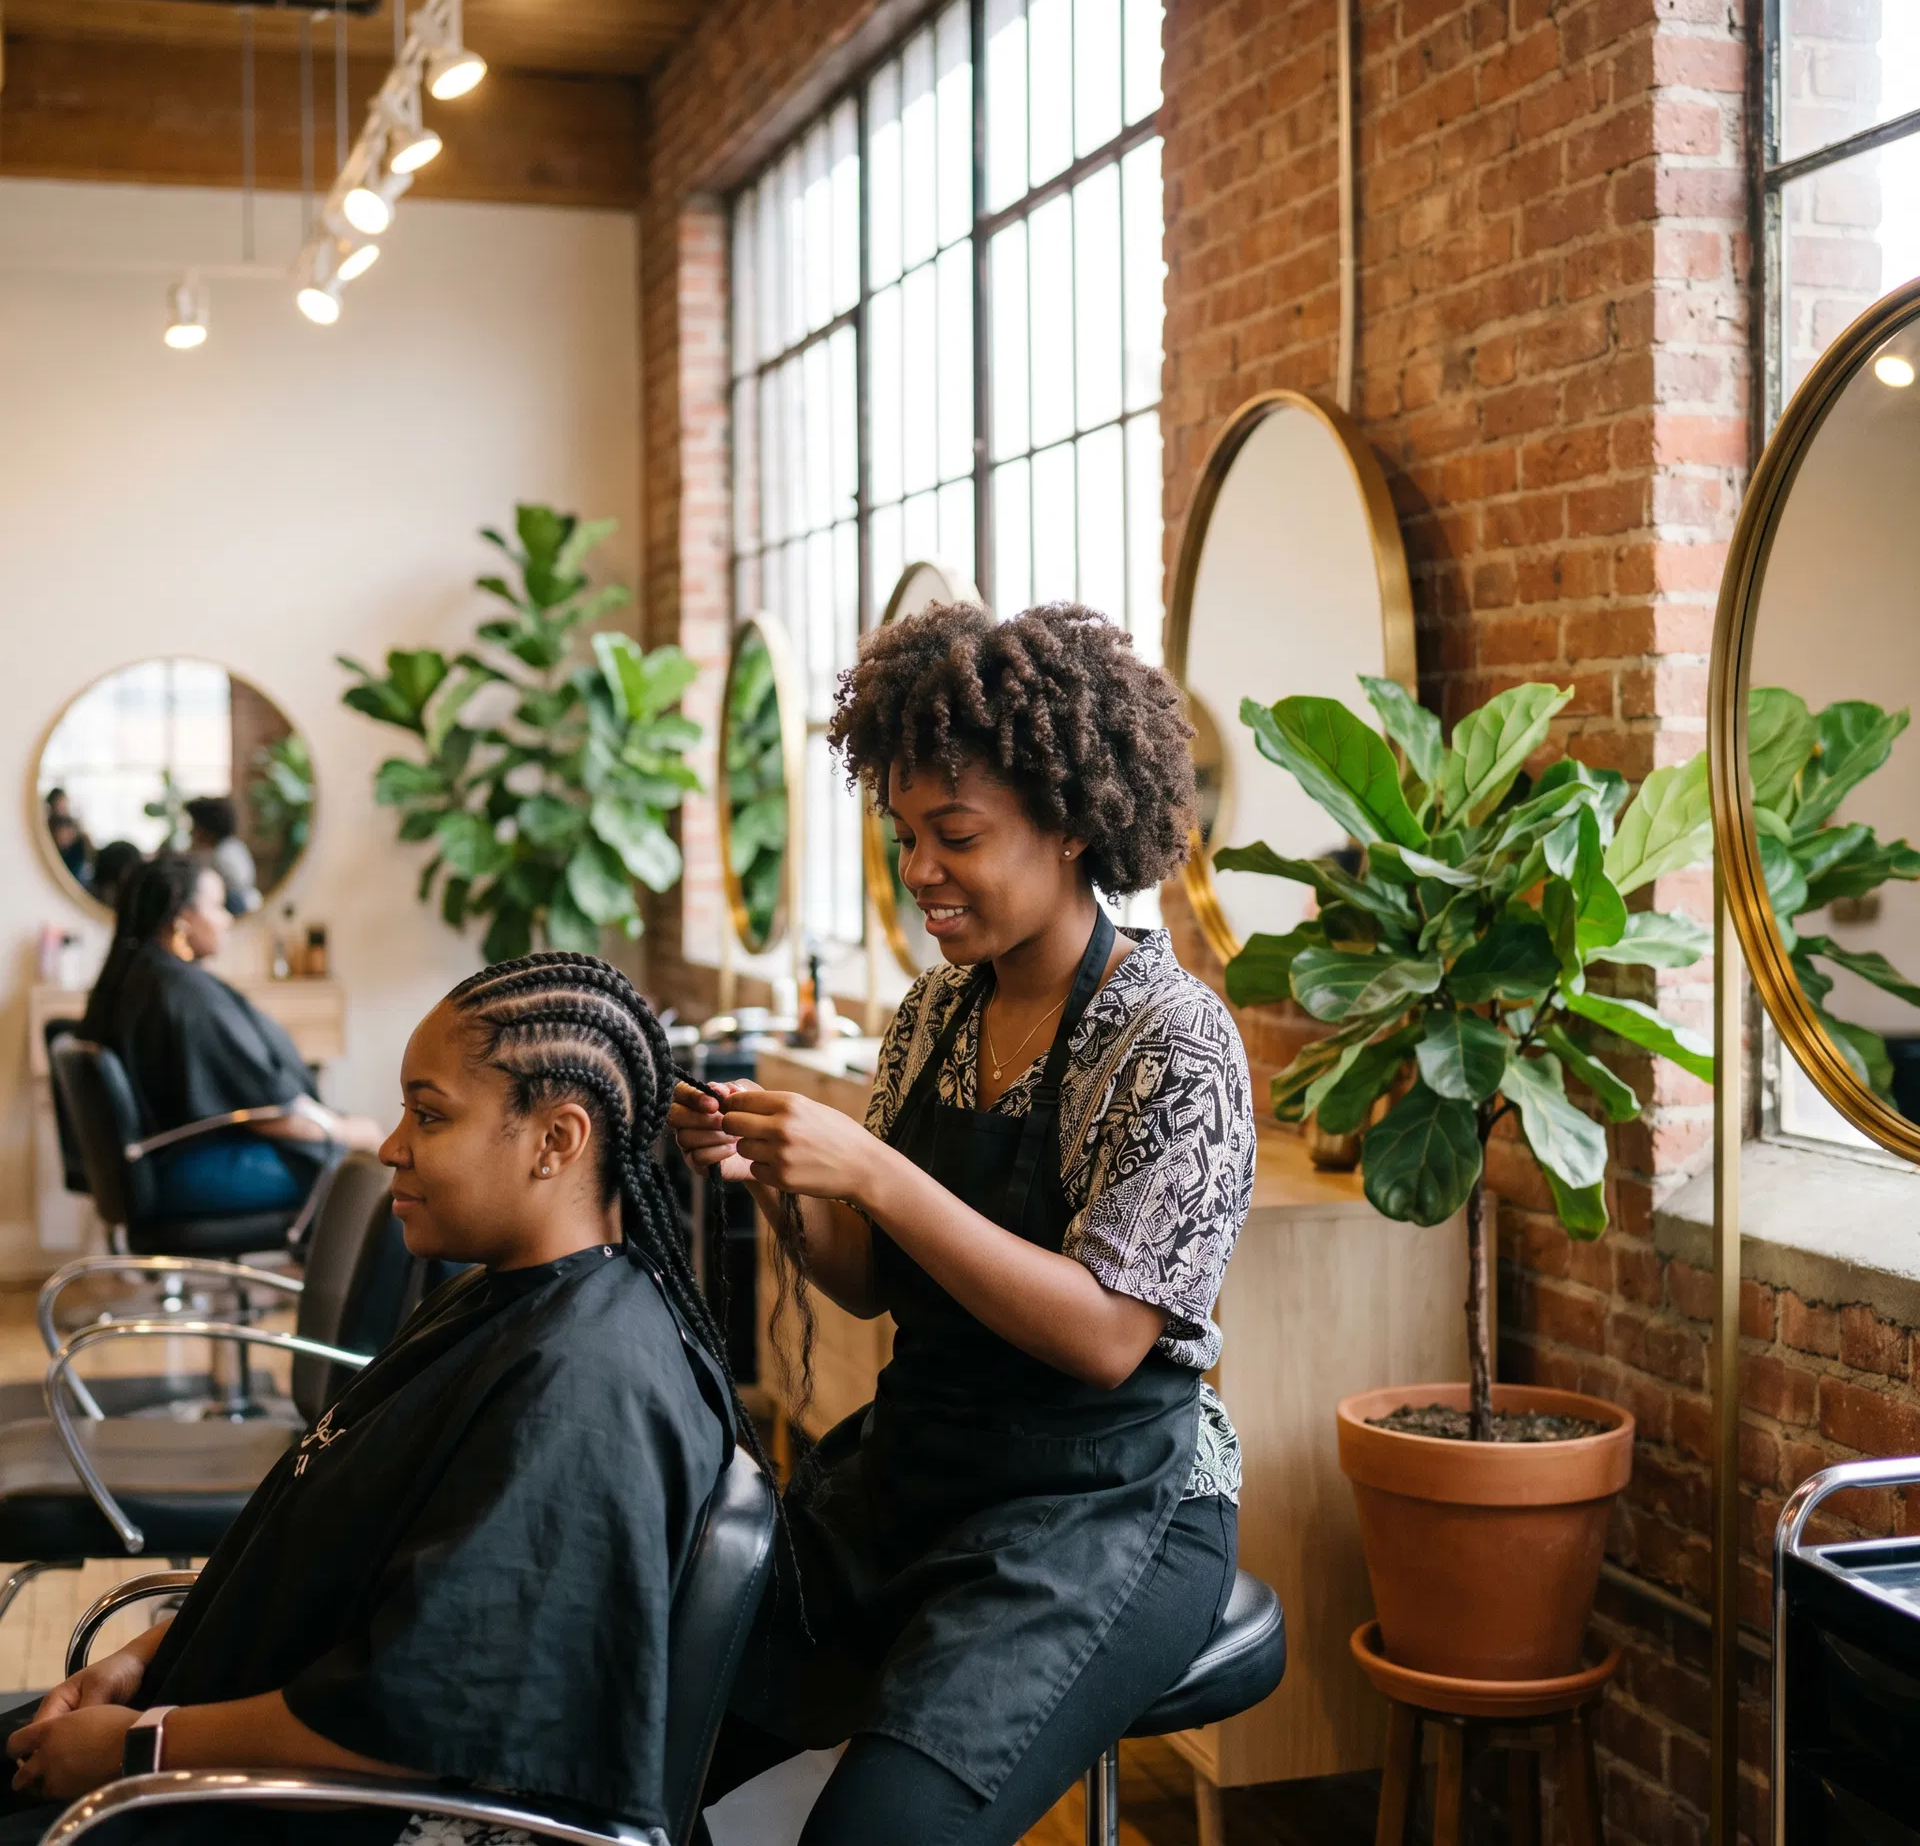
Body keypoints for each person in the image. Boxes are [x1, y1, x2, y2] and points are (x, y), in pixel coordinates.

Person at [673, 602, 1257, 1845]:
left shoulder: (1172, 1039)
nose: (921, 871)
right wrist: (775, 1175)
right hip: (928, 1471)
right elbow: (871, 1283)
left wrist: (874, 1174)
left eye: (956, 836)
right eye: (905, 838)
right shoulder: (935, 1015)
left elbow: (1107, 1337)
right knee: (643, 1724)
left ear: (1073, 823)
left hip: (1111, 1508)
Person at [0, 953, 739, 1846]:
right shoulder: (498, 1297)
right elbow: (326, 1557)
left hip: (244, 1804)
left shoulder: (582, 1393)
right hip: (198, 1741)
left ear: (557, 1139)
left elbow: (410, 1721)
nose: (391, 1145)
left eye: (429, 1115)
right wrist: (141, 1659)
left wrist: (136, 1752)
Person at [79, 854, 381, 1219]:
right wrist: (348, 1131)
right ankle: (332, 1277)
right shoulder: (182, 993)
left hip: (163, 1165)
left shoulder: (137, 978)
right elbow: (264, 1110)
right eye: (218, 907)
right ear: (183, 918)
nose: (227, 920)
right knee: (359, 1172)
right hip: (188, 1171)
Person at [187, 796, 262, 915]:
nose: (191, 832)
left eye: (195, 826)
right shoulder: (234, 846)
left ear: (206, 828)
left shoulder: (220, 855)